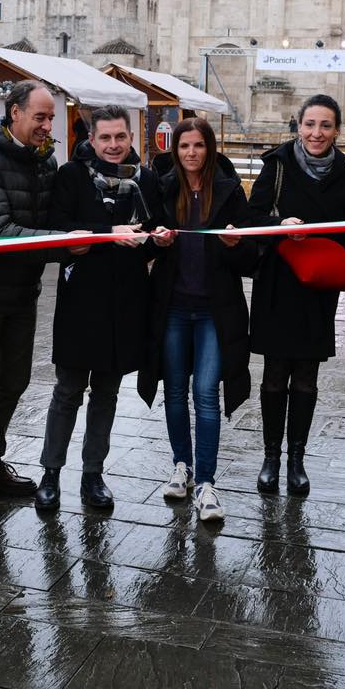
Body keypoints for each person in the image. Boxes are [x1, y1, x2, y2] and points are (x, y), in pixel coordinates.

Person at [0, 80, 73, 523]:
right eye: (39, 117)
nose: (47, 126)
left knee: (16, 381)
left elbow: (58, 214)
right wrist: (64, 243)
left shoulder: (46, 162)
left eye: (50, 119)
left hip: (23, 289)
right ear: (14, 113)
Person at [36, 105, 162, 512]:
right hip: (81, 298)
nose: (113, 145)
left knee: (106, 392)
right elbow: (58, 234)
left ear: (131, 139)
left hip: (126, 299)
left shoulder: (147, 180)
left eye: (120, 137)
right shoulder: (72, 177)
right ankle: (51, 473)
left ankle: (93, 475)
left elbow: (156, 227)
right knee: (68, 390)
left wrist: (156, 238)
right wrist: (107, 234)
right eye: (105, 138)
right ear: (91, 140)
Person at [140, 118, 256, 522]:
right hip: (171, 306)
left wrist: (234, 244)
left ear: (210, 149)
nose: (191, 153)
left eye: (199, 146)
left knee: (206, 392)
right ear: (176, 150)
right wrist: (156, 242)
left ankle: (207, 481)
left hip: (213, 308)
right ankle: (181, 466)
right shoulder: (163, 188)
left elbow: (249, 258)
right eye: (185, 146)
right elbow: (142, 243)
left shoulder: (227, 191)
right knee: (174, 390)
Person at [247, 94, 345, 496]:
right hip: (279, 283)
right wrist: (280, 224)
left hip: (318, 287)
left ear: (336, 130)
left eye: (325, 125)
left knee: (307, 380)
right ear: (298, 126)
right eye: (310, 124)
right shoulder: (276, 166)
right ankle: (271, 456)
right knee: (276, 376)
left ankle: (297, 457)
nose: (316, 133)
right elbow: (252, 219)